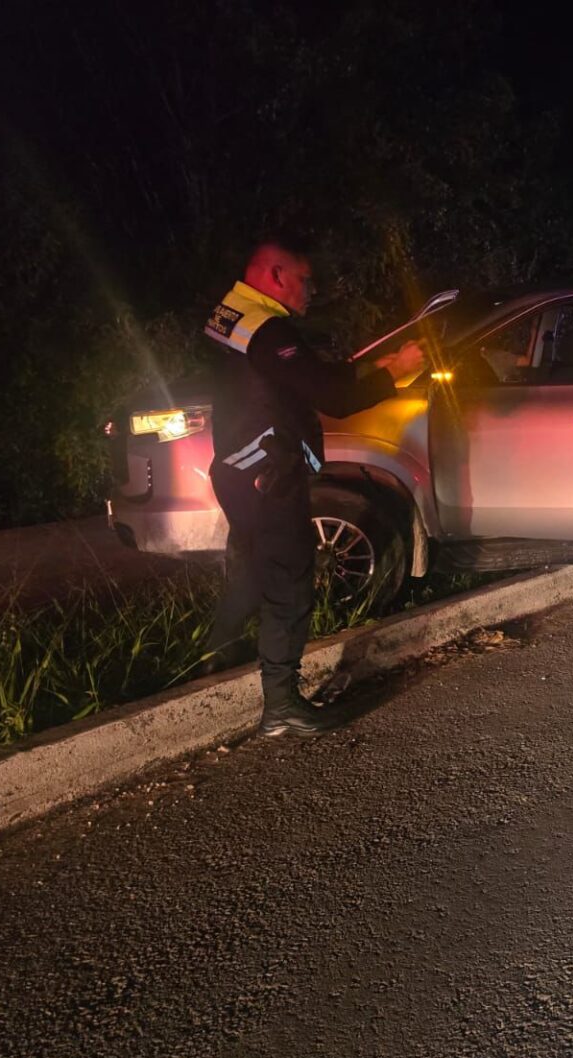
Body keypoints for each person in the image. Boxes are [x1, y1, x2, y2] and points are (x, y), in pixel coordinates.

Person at [202, 238, 424, 737]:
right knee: (289, 582)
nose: (312, 290)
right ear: (276, 275)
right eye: (305, 279)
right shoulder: (269, 328)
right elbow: (335, 397)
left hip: (240, 470)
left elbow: (302, 377)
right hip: (269, 475)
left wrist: (381, 366)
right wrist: (398, 375)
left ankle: (212, 658)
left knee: (255, 568)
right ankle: (281, 708)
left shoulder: (231, 314)